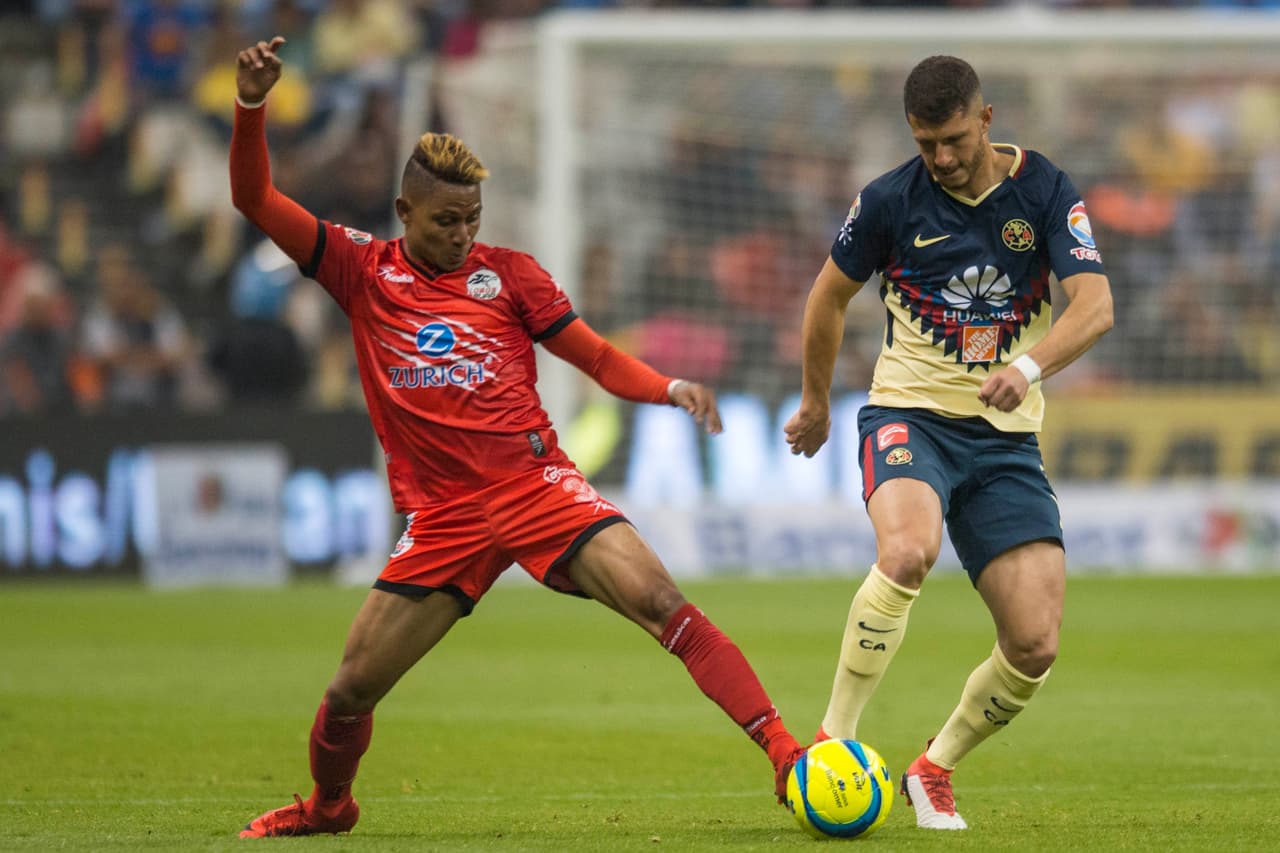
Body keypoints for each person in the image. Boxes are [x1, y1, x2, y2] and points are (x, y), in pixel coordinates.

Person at [230, 37, 805, 838]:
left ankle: (787, 754)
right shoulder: (360, 269)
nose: (463, 234)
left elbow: (596, 357)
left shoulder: (513, 275)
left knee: (663, 602)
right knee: (350, 690)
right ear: (403, 215)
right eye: (445, 221)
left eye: (472, 219)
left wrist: (667, 386)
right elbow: (255, 197)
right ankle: (330, 806)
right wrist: (252, 106)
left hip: (538, 488)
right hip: (444, 518)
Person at [783, 56, 1114, 831]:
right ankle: (833, 739)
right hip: (910, 414)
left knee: (1034, 642)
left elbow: (1094, 307)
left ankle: (934, 767)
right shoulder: (890, 200)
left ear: (986, 119)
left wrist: (1026, 366)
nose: (942, 157)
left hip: (1004, 443)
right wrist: (817, 400)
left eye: (955, 139)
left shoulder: (1045, 191)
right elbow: (827, 297)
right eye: (927, 142)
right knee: (906, 553)